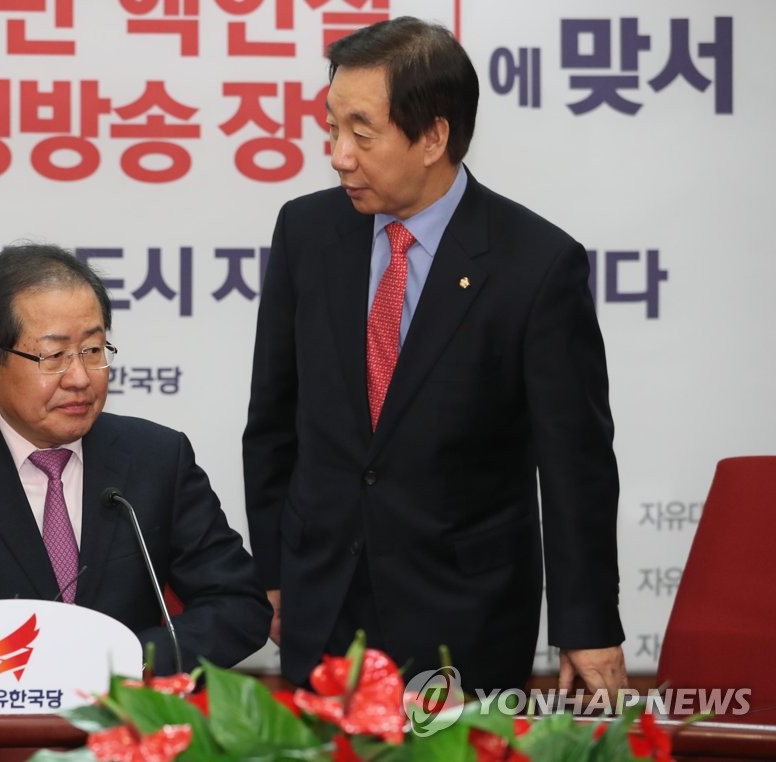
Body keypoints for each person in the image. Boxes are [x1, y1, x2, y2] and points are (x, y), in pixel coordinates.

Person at [242, 16, 627, 695]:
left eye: (362, 133)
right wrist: (273, 570)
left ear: (433, 137)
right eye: (332, 129)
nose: (339, 156)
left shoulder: (536, 266)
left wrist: (587, 623)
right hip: (322, 603)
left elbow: (576, 465)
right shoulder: (307, 231)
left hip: (466, 617)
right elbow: (274, 417)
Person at [0, 243, 270, 674]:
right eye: (53, 356)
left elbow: (239, 606)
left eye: (93, 350)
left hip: (125, 709)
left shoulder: (157, 459)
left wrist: (124, 662)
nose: (80, 378)